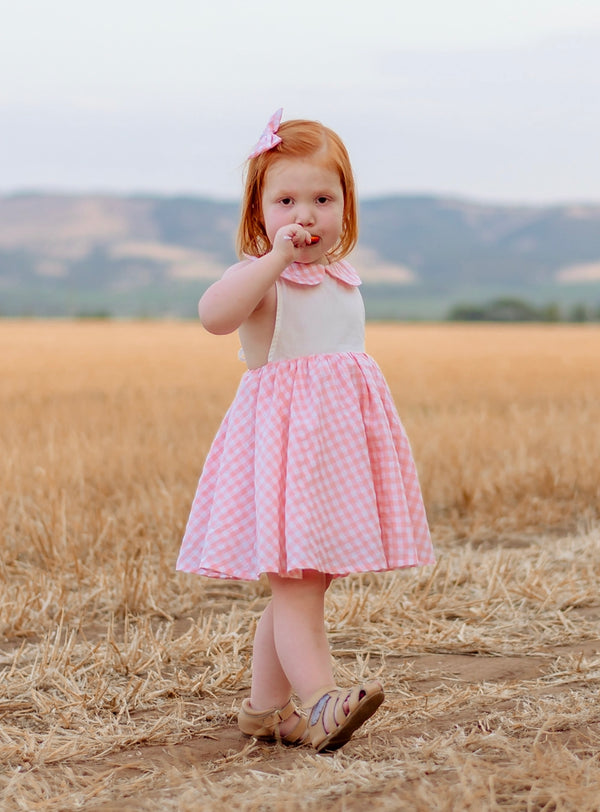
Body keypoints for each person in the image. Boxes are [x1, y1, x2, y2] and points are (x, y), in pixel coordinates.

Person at [176, 109, 434, 753]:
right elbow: (213, 316)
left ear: (347, 206)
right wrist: (273, 259)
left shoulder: (343, 279)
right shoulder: (261, 280)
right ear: (258, 210)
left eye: (323, 199)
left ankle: (266, 710)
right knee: (296, 584)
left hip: (333, 456)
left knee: (304, 583)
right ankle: (320, 700)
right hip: (284, 457)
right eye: (286, 201)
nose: (306, 215)